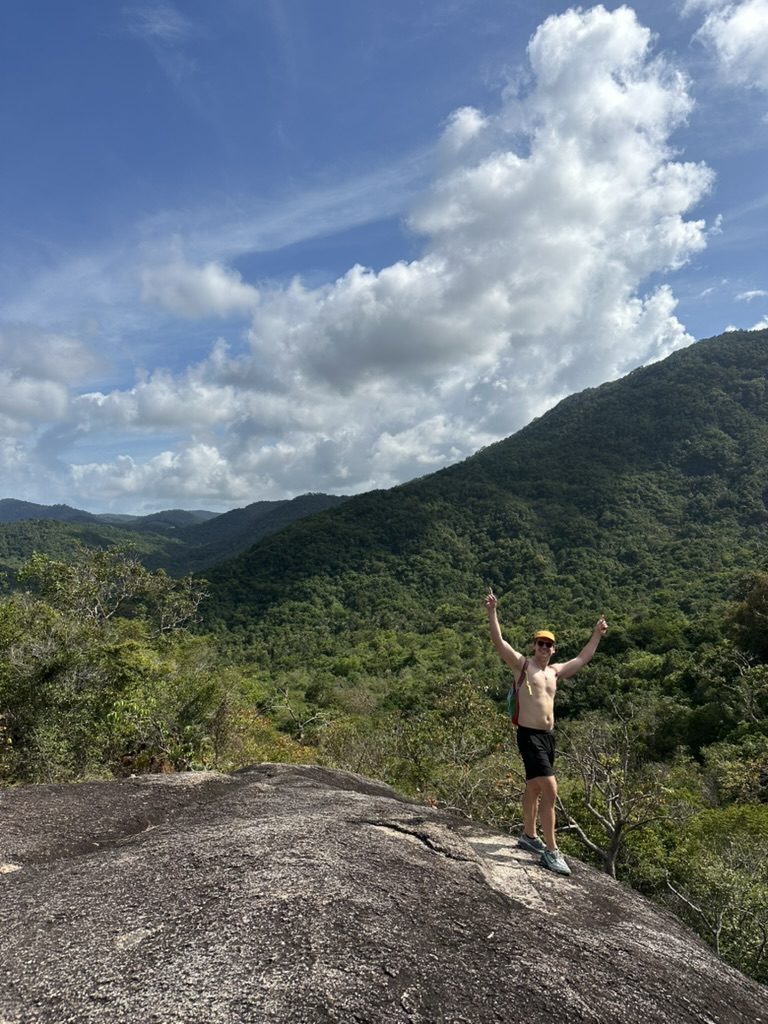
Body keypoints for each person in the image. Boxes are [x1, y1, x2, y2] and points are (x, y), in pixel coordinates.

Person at [484, 588, 608, 876]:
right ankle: (551, 851)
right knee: (550, 788)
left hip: (547, 738)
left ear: (553, 650)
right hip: (528, 735)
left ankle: (529, 836)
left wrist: (597, 634)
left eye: (548, 644)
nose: (543, 647)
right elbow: (499, 641)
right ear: (534, 646)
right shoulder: (523, 667)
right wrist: (492, 611)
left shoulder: (554, 672)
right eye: (540, 643)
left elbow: (583, 658)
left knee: (534, 787)